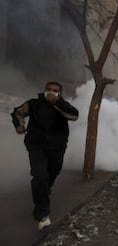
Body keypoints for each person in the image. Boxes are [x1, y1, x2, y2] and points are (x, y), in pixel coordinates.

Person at [11, 81, 79, 230]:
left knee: (52, 174)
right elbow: (17, 112)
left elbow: (74, 116)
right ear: (44, 90)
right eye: (49, 90)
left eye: (55, 91)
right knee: (40, 177)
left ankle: (44, 191)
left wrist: (58, 103)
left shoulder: (63, 106)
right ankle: (42, 214)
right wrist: (19, 125)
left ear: (60, 93)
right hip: (36, 147)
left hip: (57, 148)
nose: (51, 92)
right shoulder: (34, 104)